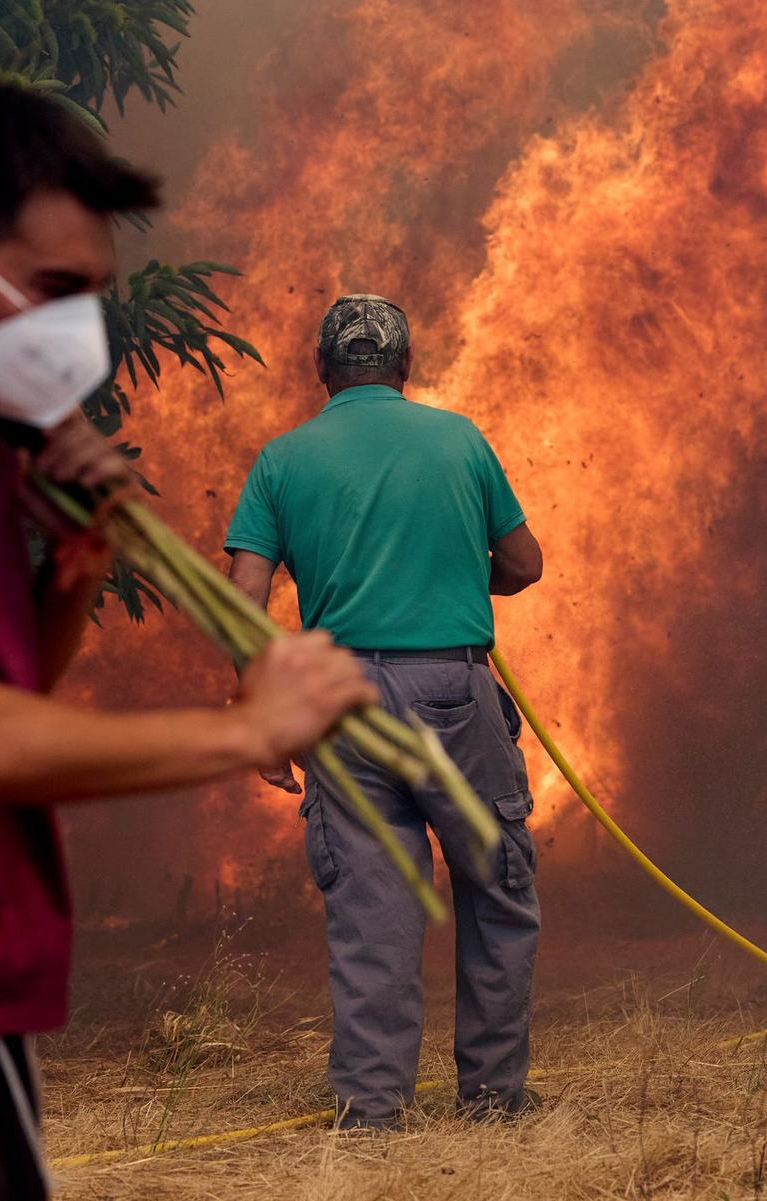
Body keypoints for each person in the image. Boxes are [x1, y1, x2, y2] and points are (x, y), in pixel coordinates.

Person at [0, 84, 376, 1199]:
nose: (76, 334)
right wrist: (247, 731)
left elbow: (9, 693)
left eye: (94, 297)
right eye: (54, 292)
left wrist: (76, 567)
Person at [226, 294, 544, 1130]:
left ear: (322, 372)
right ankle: (494, 1098)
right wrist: (460, 576)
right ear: (405, 368)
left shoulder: (283, 459)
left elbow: (243, 598)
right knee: (496, 886)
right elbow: (523, 561)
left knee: (373, 906)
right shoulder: (460, 439)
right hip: (453, 689)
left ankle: (371, 1113)